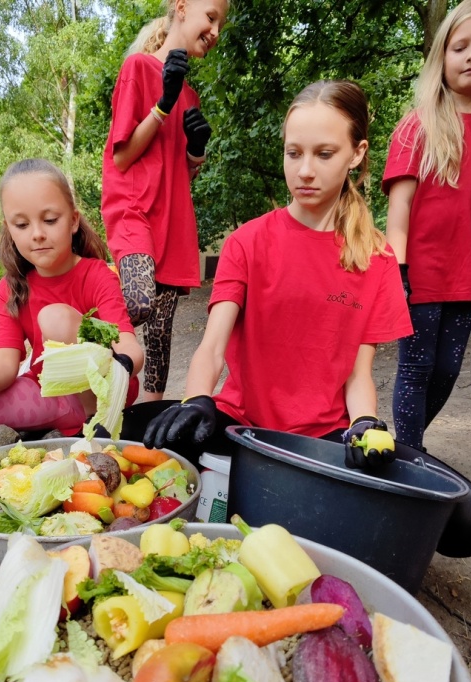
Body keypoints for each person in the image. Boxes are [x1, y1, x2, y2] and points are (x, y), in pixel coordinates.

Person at [129, 79, 412, 470]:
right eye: (293, 153)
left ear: (356, 153)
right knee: (143, 440)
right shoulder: (247, 242)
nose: (305, 170)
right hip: (239, 424)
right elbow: (211, 348)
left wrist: (364, 421)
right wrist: (196, 399)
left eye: (324, 154)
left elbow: (357, 374)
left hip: (324, 437)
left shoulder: (377, 259)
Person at [0, 158, 143, 439]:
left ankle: (91, 424)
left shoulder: (97, 275)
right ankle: (55, 422)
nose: (37, 234)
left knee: (54, 318)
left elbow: (130, 348)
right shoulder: (10, 289)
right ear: (9, 229)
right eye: (21, 225)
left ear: (73, 220)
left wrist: (124, 365)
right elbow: (5, 365)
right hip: (48, 391)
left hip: (101, 393)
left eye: (50, 220)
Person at [101, 0, 229, 403]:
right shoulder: (137, 69)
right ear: (181, 7)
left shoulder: (190, 92)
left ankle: (147, 418)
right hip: (135, 209)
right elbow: (121, 156)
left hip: (175, 221)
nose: (215, 31)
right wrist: (162, 105)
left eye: (220, 24)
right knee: (138, 303)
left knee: (160, 332)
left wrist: (196, 150)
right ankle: (80, 340)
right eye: (211, 17)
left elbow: (180, 173)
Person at [383, 0, 471, 452]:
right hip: (419, 275)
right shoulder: (418, 125)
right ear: (441, 57)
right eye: (460, 46)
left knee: (447, 370)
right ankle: (410, 455)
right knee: (417, 369)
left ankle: (407, 447)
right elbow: (400, 205)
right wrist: (396, 270)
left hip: (468, 277)